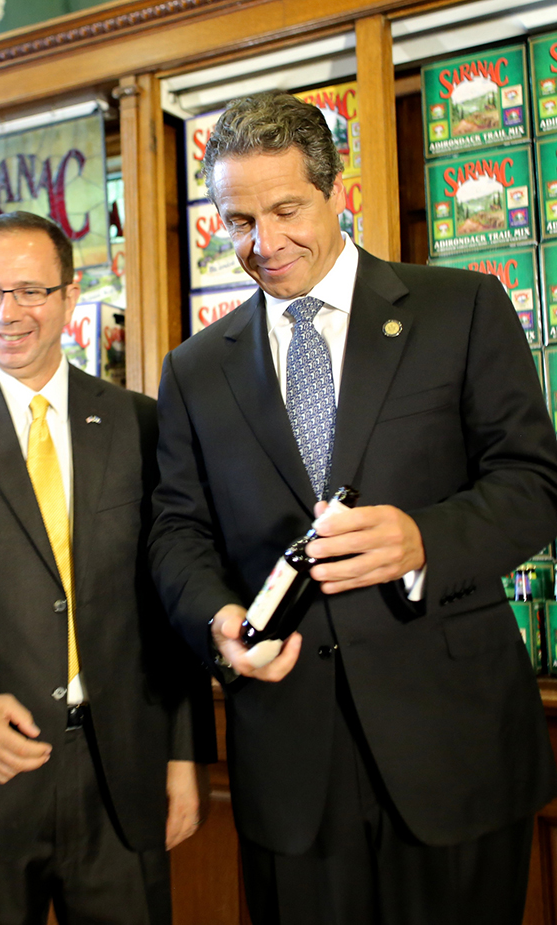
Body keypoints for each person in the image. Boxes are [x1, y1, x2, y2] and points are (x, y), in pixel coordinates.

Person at [149, 90, 557, 925]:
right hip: (291, 766)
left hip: (456, 748)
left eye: (287, 209)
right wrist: (219, 619)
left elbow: (534, 482)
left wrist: (423, 539)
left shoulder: (462, 308)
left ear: (339, 191)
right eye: (236, 220)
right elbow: (176, 532)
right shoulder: (193, 369)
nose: (263, 244)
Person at [0, 211, 213, 925]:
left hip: (119, 777)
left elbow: (167, 596)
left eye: (29, 290)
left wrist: (183, 755)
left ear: (69, 293)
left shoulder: (139, 422)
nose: (7, 313)